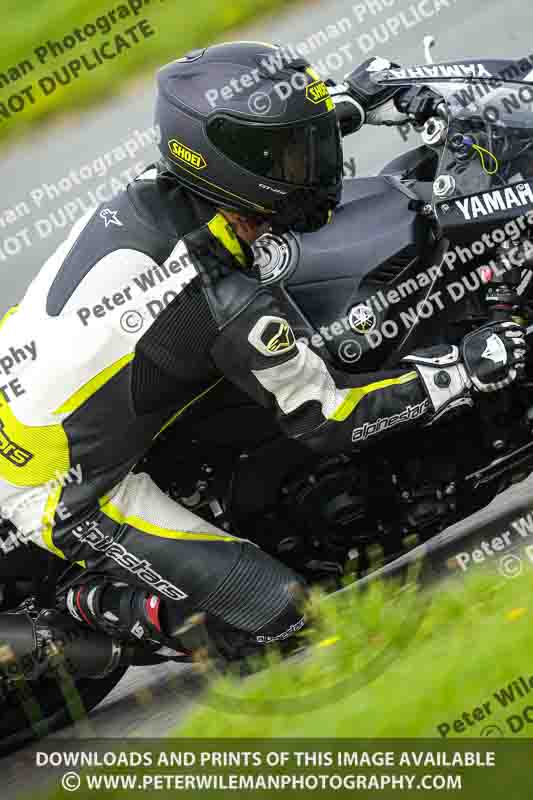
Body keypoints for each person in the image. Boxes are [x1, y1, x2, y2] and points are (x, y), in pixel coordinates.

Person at [0, 43, 526, 681]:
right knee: (282, 620)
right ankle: (89, 607)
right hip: (57, 489)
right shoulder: (227, 297)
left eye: (308, 143)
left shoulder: (166, 190)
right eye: (298, 151)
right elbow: (329, 418)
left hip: (33, 386)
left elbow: (267, 155)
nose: (318, 161)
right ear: (241, 168)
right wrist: (465, 369)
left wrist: (352, 103)